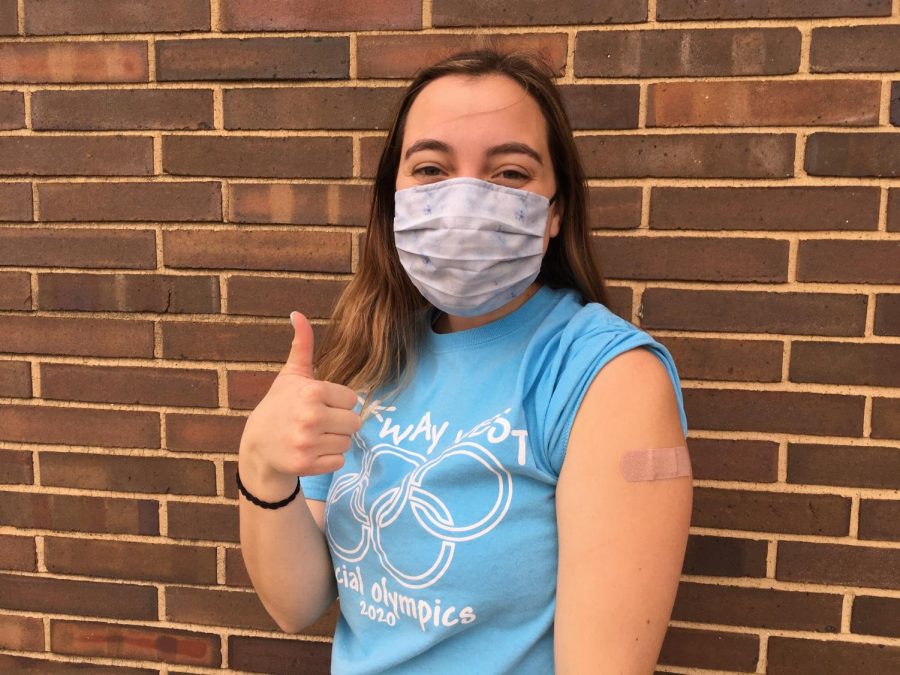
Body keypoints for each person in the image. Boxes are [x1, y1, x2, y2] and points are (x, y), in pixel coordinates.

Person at [236, 48, 693, 675]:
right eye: (430, 169)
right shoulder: (371, 352)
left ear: (555, 211)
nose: (463, 200)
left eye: (509, 173)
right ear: (393, 198)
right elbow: (298, 603)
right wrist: (261, 467)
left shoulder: (605, 378)